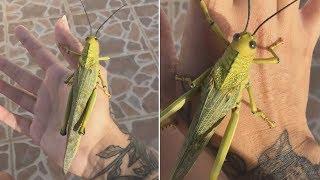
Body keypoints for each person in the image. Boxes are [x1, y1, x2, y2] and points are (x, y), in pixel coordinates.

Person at [161, 0, 320, 179]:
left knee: (192, 89)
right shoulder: (251, 64)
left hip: (209, 92)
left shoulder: (225, 44)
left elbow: (210, 23)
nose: (242, 38)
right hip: (218, 97)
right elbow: (274, 60)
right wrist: (269, 49)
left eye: (252, 44)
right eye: (237, 37)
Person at [0, 16, 158, 179]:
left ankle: (78, 126)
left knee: (89, 97)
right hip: (81, 83)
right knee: (73, 96)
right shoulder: (95, 65)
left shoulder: (89, 63)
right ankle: (69, 128)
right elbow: (101, 60)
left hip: (85, 86)